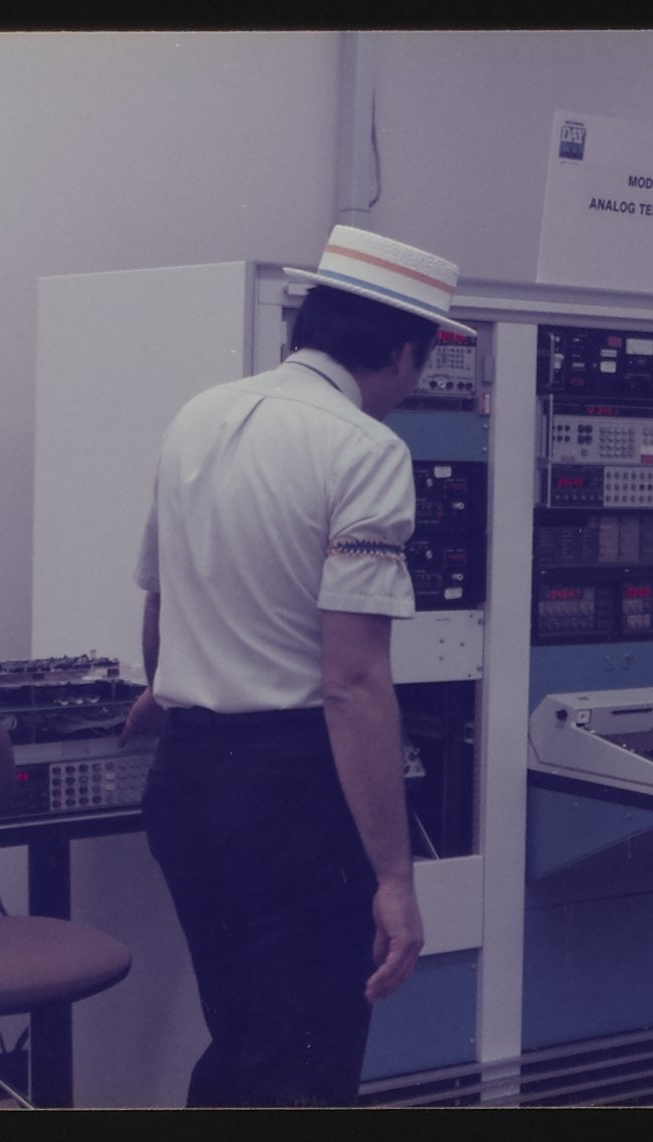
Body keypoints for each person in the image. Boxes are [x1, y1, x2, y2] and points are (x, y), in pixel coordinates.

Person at [117, 225, 476, 1107]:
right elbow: (353, 683)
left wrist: (167, 688)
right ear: (403, 352)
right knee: (303, 1064)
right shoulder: (364, 450)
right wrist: (395, 879)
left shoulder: (197, 415)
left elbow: (161, 600)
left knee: (241, 1040)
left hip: (188, 784)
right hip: (293, 796)